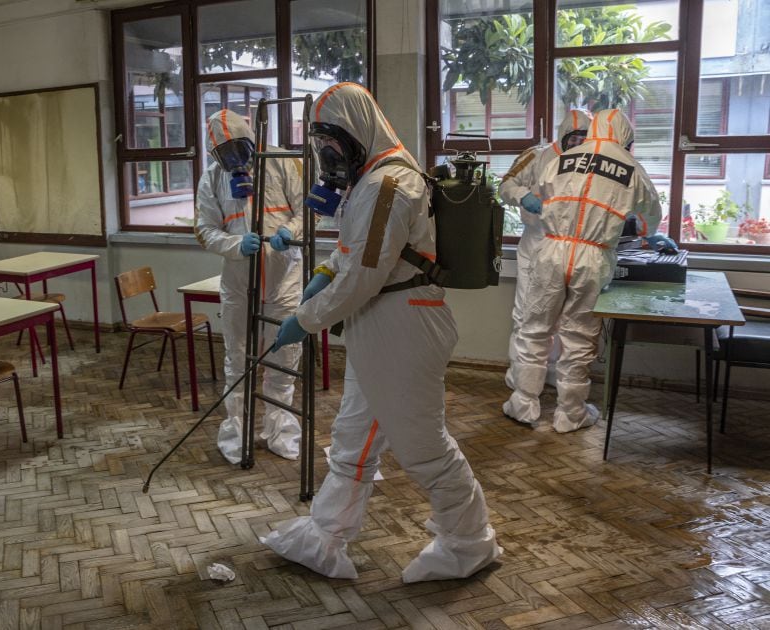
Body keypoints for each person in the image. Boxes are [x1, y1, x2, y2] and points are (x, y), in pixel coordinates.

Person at [260, 83, 501, 582]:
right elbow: (353, 255)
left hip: (404, 326)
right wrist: (323, 275)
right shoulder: (369, 181)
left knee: (422, 446)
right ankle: (327, 535)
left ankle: (469, 541)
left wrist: (305, 320)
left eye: (334, 144)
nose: (328, 156)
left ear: (358, 132)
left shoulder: (389, 185)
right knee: (354, 437)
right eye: (321, 145)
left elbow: (364, 275)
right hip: (380, 322)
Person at [504, 109, 672, 432]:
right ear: (626, 137)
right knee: (578, 336)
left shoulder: (563, 158)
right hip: (592, 257)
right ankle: (570, 413)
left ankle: (523, 403)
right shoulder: (632, 168)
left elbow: (542, 191)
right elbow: (650, 221)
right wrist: (635, 226)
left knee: (534, 327)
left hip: (551, 248)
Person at [194, 109, 305, 464]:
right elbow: (205, 230)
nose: (235, 159)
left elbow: (309, 209)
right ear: (215, 154)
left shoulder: (282, 163)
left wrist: (291, 231)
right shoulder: (212, 178)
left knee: (284, 359)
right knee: (237, 360)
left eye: (239, 148)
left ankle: (280, 433)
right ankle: (236, 435)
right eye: (225, 153)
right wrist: (235, 245)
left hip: (283, 277)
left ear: (253, 140)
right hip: (238, 280)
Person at [500, 110, 592, 391]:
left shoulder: (592, 162)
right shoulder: (536, 155)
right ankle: (521, 377)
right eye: (574, 137)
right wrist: (523, 196)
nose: (578, 142)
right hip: (537, 241)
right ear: (563, 134)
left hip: (573, 244)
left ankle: (550, 375)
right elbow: (505, 185)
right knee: (528, 312)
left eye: (583, 138)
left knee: (564, 317)